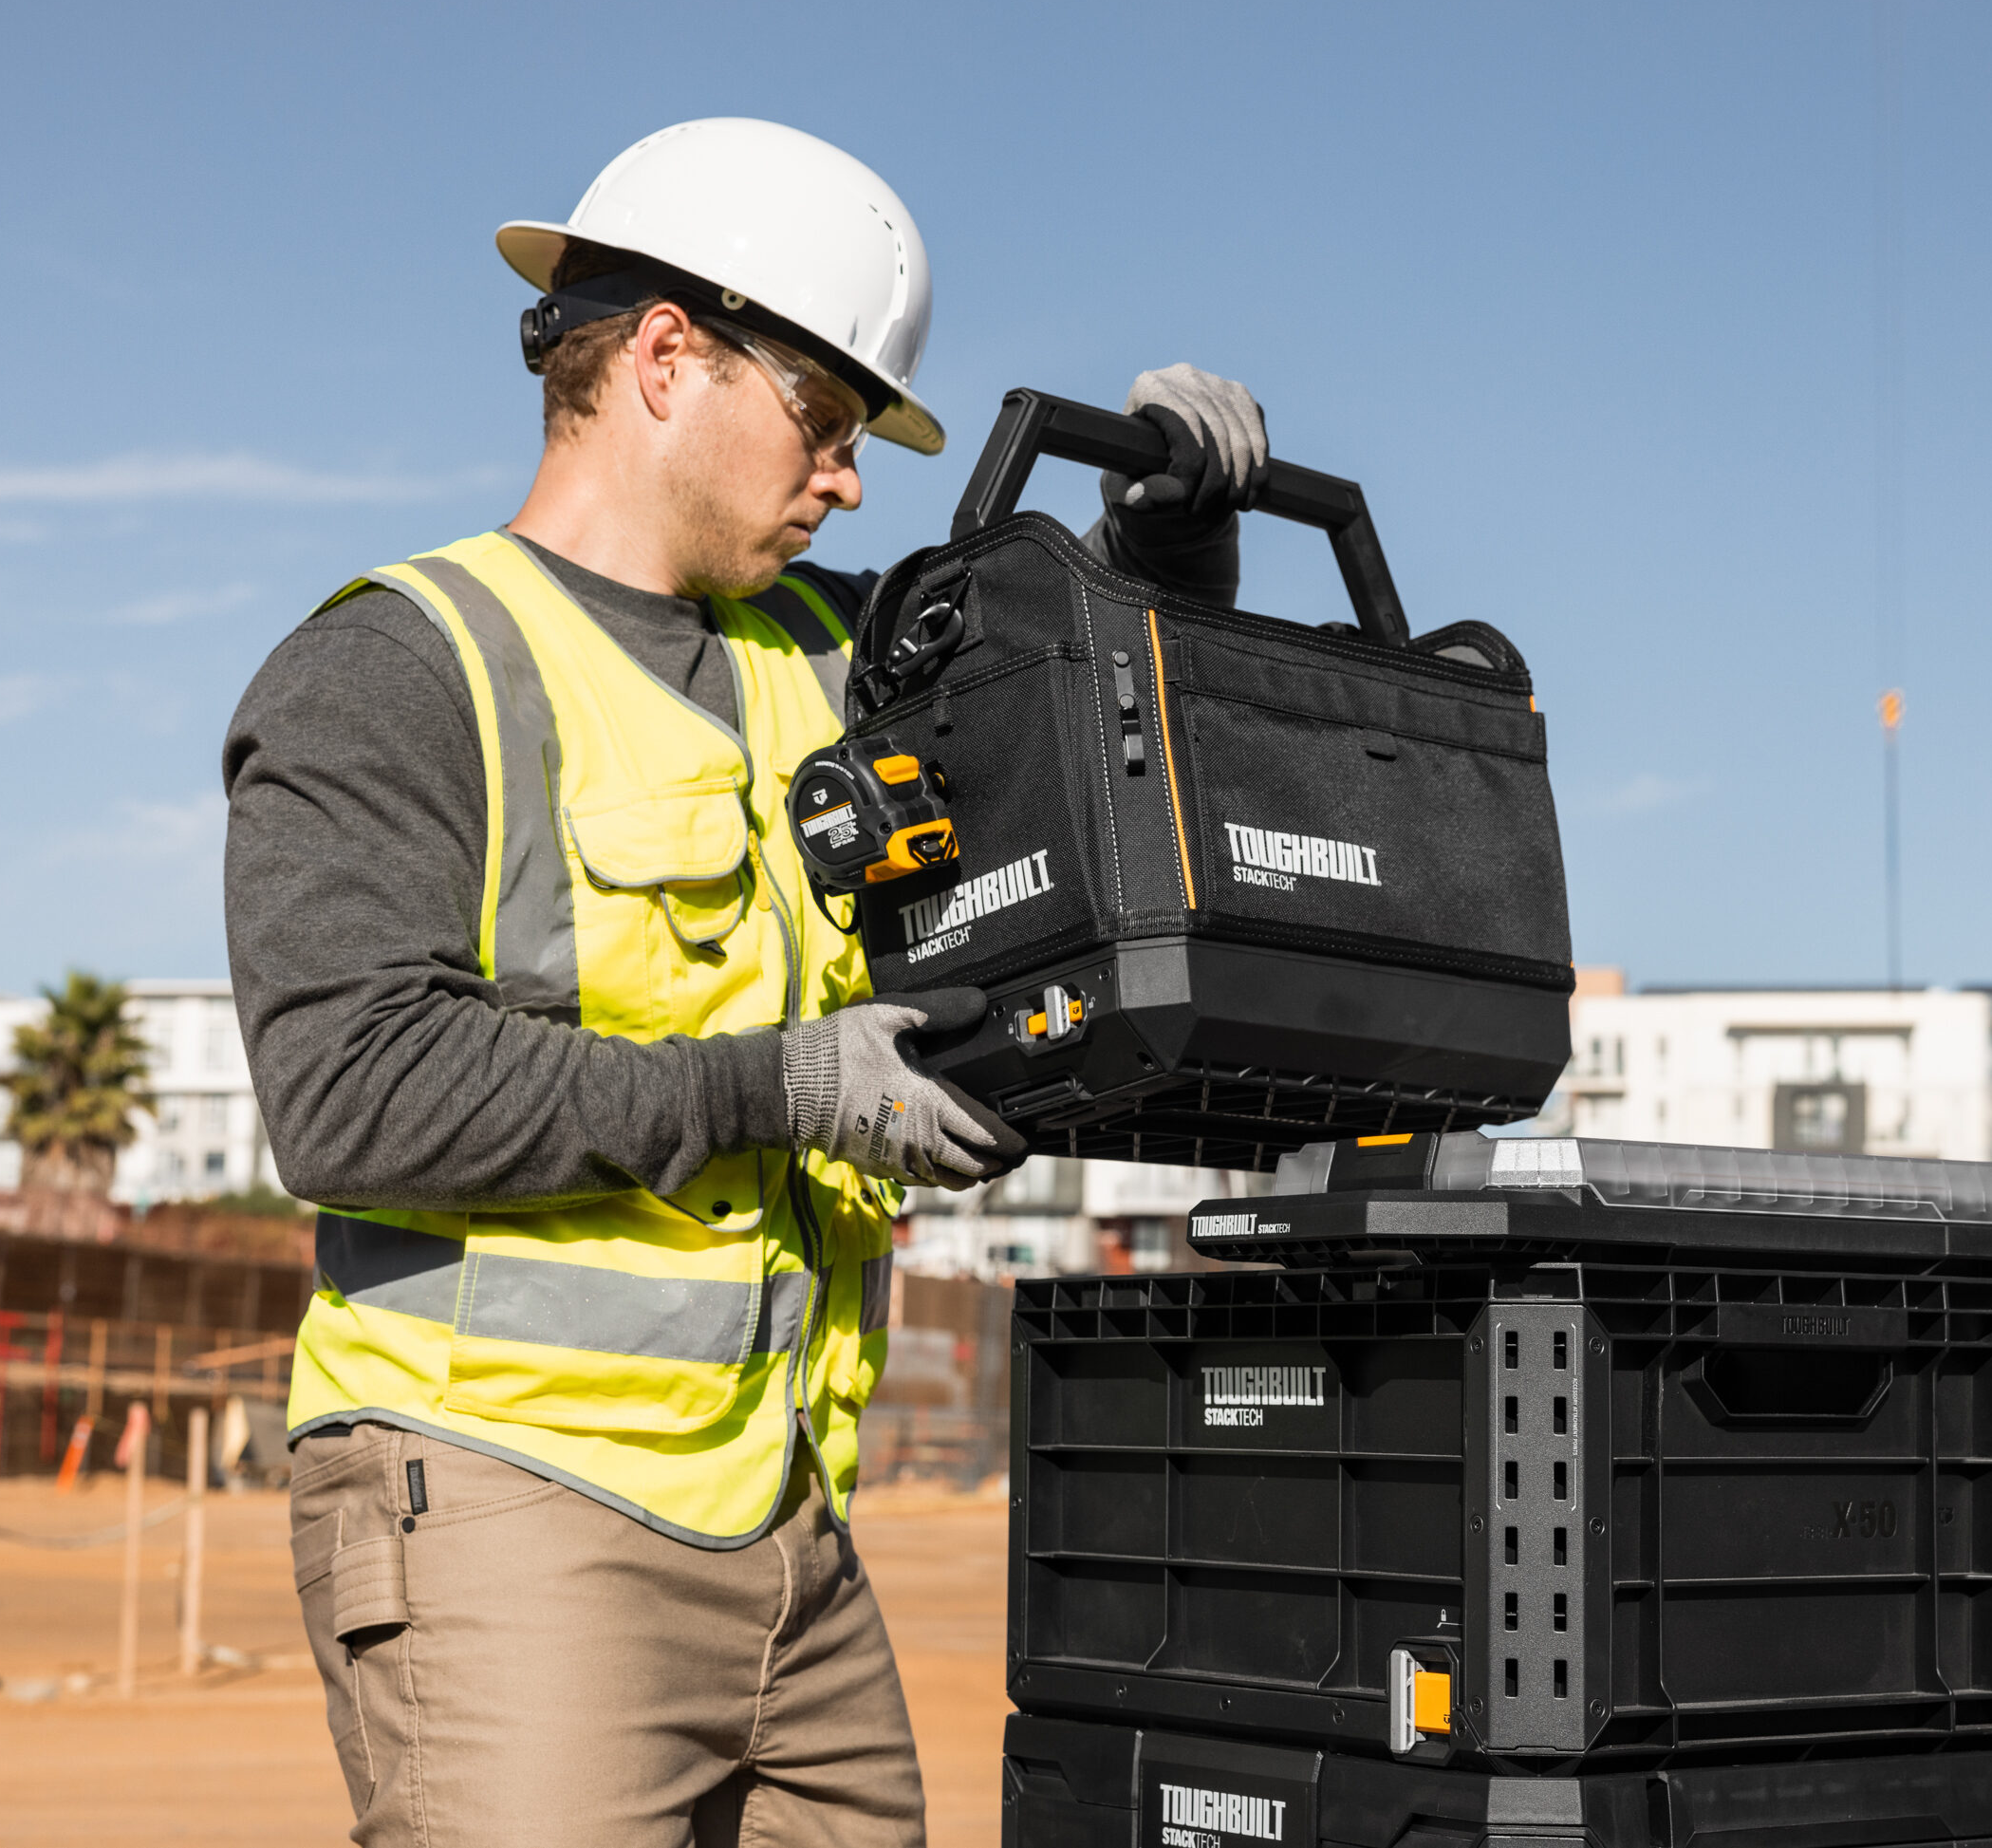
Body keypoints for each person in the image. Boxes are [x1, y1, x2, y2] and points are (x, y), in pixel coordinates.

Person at [221, 118, 1270, 1848]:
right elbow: (350, 1095)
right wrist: (772, 1088)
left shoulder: (836, 657)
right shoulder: (404, 666)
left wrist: (1171, 561)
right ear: (661, 356)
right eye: (829, 419)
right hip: (509, 1504)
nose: (853, 478)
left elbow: (1098, 789)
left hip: (796, 1530)